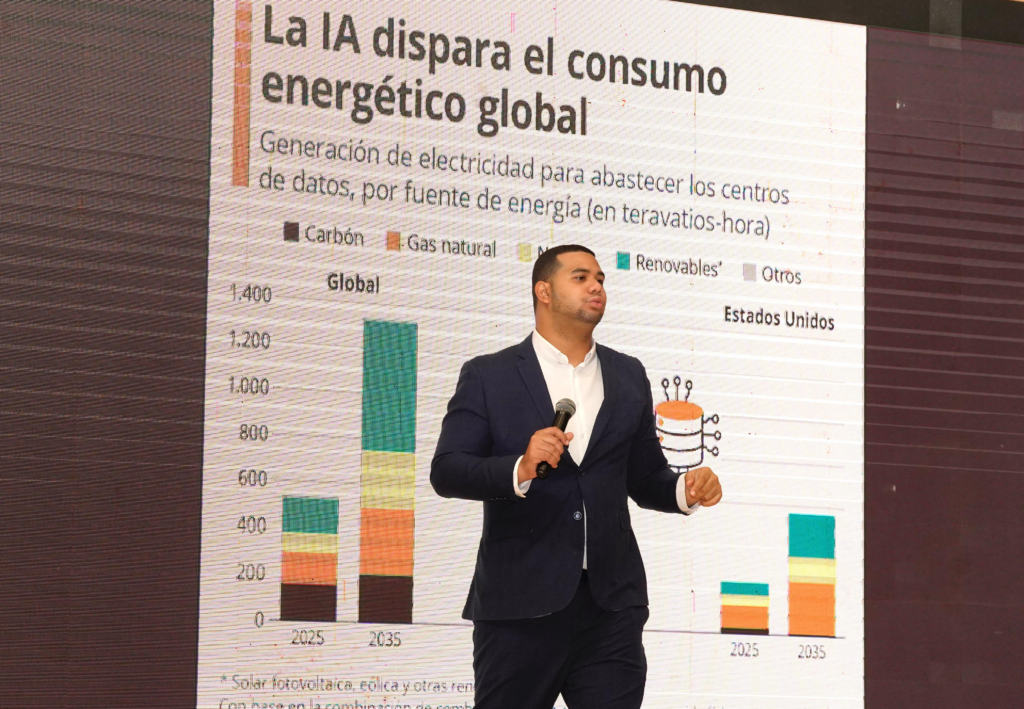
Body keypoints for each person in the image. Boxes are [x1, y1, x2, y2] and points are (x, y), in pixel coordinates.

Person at [430, 244, 722, 709]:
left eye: (601, 279)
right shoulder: (489, 375)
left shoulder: (628, 374)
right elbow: (447, 470)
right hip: (519, 607)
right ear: (543, 291)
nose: (596, 287)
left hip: (612, 607)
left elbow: (644, 475)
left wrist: (683, 490)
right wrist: (520, 467)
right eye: (581, 277)